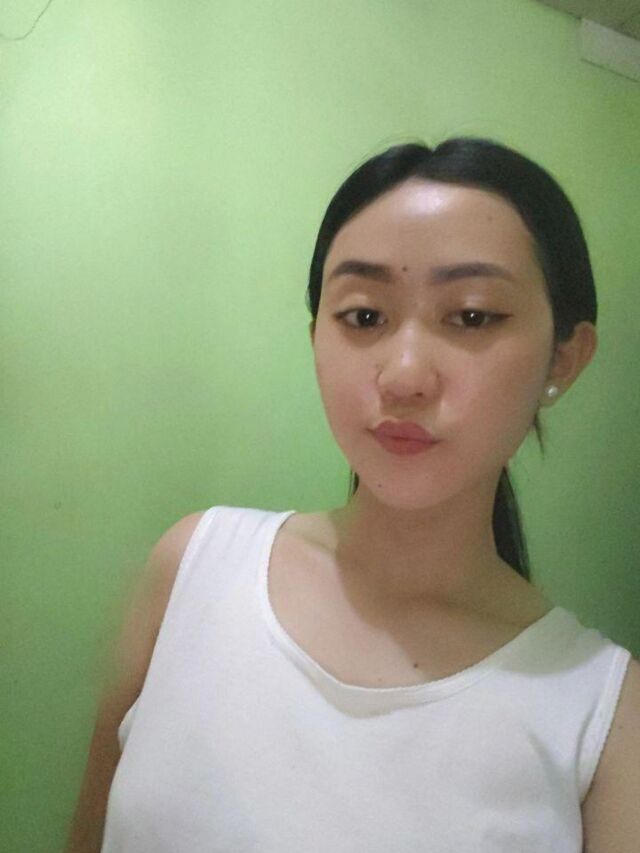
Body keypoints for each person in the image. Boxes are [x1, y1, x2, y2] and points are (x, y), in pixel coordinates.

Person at [67, 137, 638, 852]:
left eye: (471, 316)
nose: (404, 376)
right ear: (318, 338)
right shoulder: (193, 566)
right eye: (364, 316)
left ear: (564, 359)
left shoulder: (605, 716)